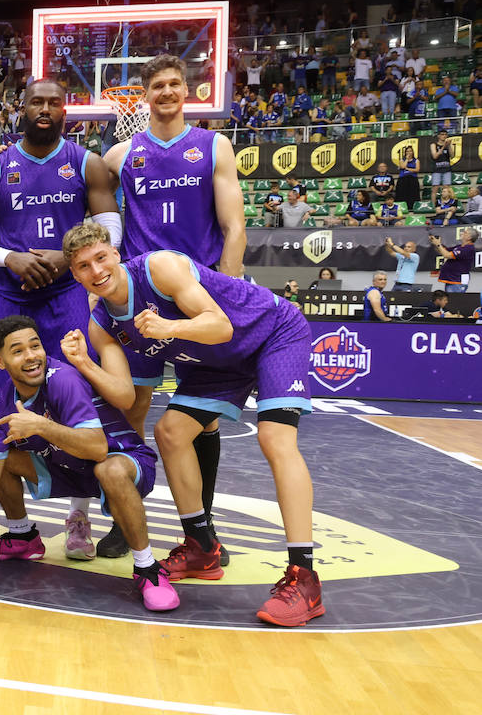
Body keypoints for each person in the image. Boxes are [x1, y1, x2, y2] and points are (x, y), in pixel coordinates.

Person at [65, 222, 324, 627]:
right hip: (218, 363)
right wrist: (83, 363)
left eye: (101, 258)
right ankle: (202, 546)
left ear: (115, 254)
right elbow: (125, 397)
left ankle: (304, 577)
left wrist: (170, 328)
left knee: (275, 439)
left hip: (272, 334)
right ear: (75, 274)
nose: (96, 271)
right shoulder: (102, 325)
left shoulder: (159, 268)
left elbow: (220, 326)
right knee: (170, 432)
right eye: (83, 266)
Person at [0, 78, 120, 552]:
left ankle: (78, 517)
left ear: (64, 110)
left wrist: (66, 256)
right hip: (10, 297)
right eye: (37, 101)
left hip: (67, 297)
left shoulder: (85, 162)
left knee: (79, 403)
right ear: (21, 108)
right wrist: (10, 258)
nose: (46, 108)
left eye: (54, 102)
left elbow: (110, 228)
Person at [102, 54, 246, 564]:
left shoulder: (213, 146)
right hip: (139, 300)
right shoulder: (121, 154)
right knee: (131, 408)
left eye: (174, 84)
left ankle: (202, 532)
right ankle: (126, 518)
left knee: (202, 419)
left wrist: (226, 290)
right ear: (143, 96)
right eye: (157, 86)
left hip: (196, 297)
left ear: (188, 91)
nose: (165, 92)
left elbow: (234, 226)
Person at [0, 317, 176, 612]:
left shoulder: (62, 379)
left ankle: (147, 568)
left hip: (121, 459)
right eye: (18, 351)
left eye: (35, 346)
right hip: (69, 467)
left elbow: (97, 448)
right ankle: (22, 537)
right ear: (0, 361)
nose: (32, 356)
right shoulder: (0, 403)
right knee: (3, 455)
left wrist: (41, 427)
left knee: (107, 469)